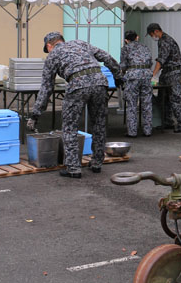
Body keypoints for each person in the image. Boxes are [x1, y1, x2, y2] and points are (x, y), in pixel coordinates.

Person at [26, 32, 120, 179]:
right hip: (100, 82)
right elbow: (106, 57)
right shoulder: (80, 43)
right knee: (99, 124)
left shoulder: (52, 56)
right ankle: (97, 163)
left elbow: (46, 88)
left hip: (77, 85)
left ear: (49, 45)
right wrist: (118, 75)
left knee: (70, 127)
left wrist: (35, 114)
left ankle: (73, 168)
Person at [147, 23, 181, 133]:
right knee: (163, 98)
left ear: (156, 31)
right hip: (166, 72)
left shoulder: (165, 40)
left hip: (173, 72)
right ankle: (167, 121)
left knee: (175, 98)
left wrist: (153, 74)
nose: (152, 37)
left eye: (151, 34)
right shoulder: (162, 40)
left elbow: (161, 60)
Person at [120, 30, 153, 138]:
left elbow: (123, 65)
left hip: (133, 76)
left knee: (132, 104)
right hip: (147, 76)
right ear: (137, 37)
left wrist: (123, 74)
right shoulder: (145, 47)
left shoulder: (125, 48)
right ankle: (147, 130)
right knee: (147, 103)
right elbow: (150, 62)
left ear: (126, 40)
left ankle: (132, 132)